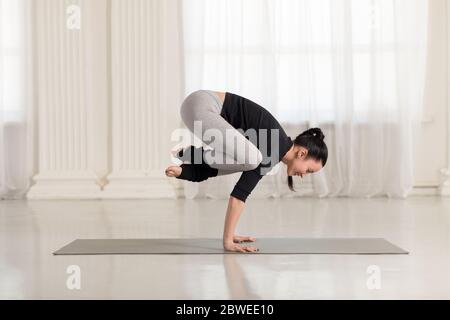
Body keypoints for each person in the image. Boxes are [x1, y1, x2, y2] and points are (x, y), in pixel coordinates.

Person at [165, 90, 328, 253]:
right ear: (302, 153)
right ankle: (192, 155)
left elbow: (225, 167)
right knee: (252, 160)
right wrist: (228, 241)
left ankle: (190, 165)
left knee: (245, 161)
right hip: (203, 105)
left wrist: (186, 172)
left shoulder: (275, 149)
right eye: (308, 170)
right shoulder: (274, 149)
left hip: (196, 107)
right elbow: (238, 197)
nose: (304, 175)